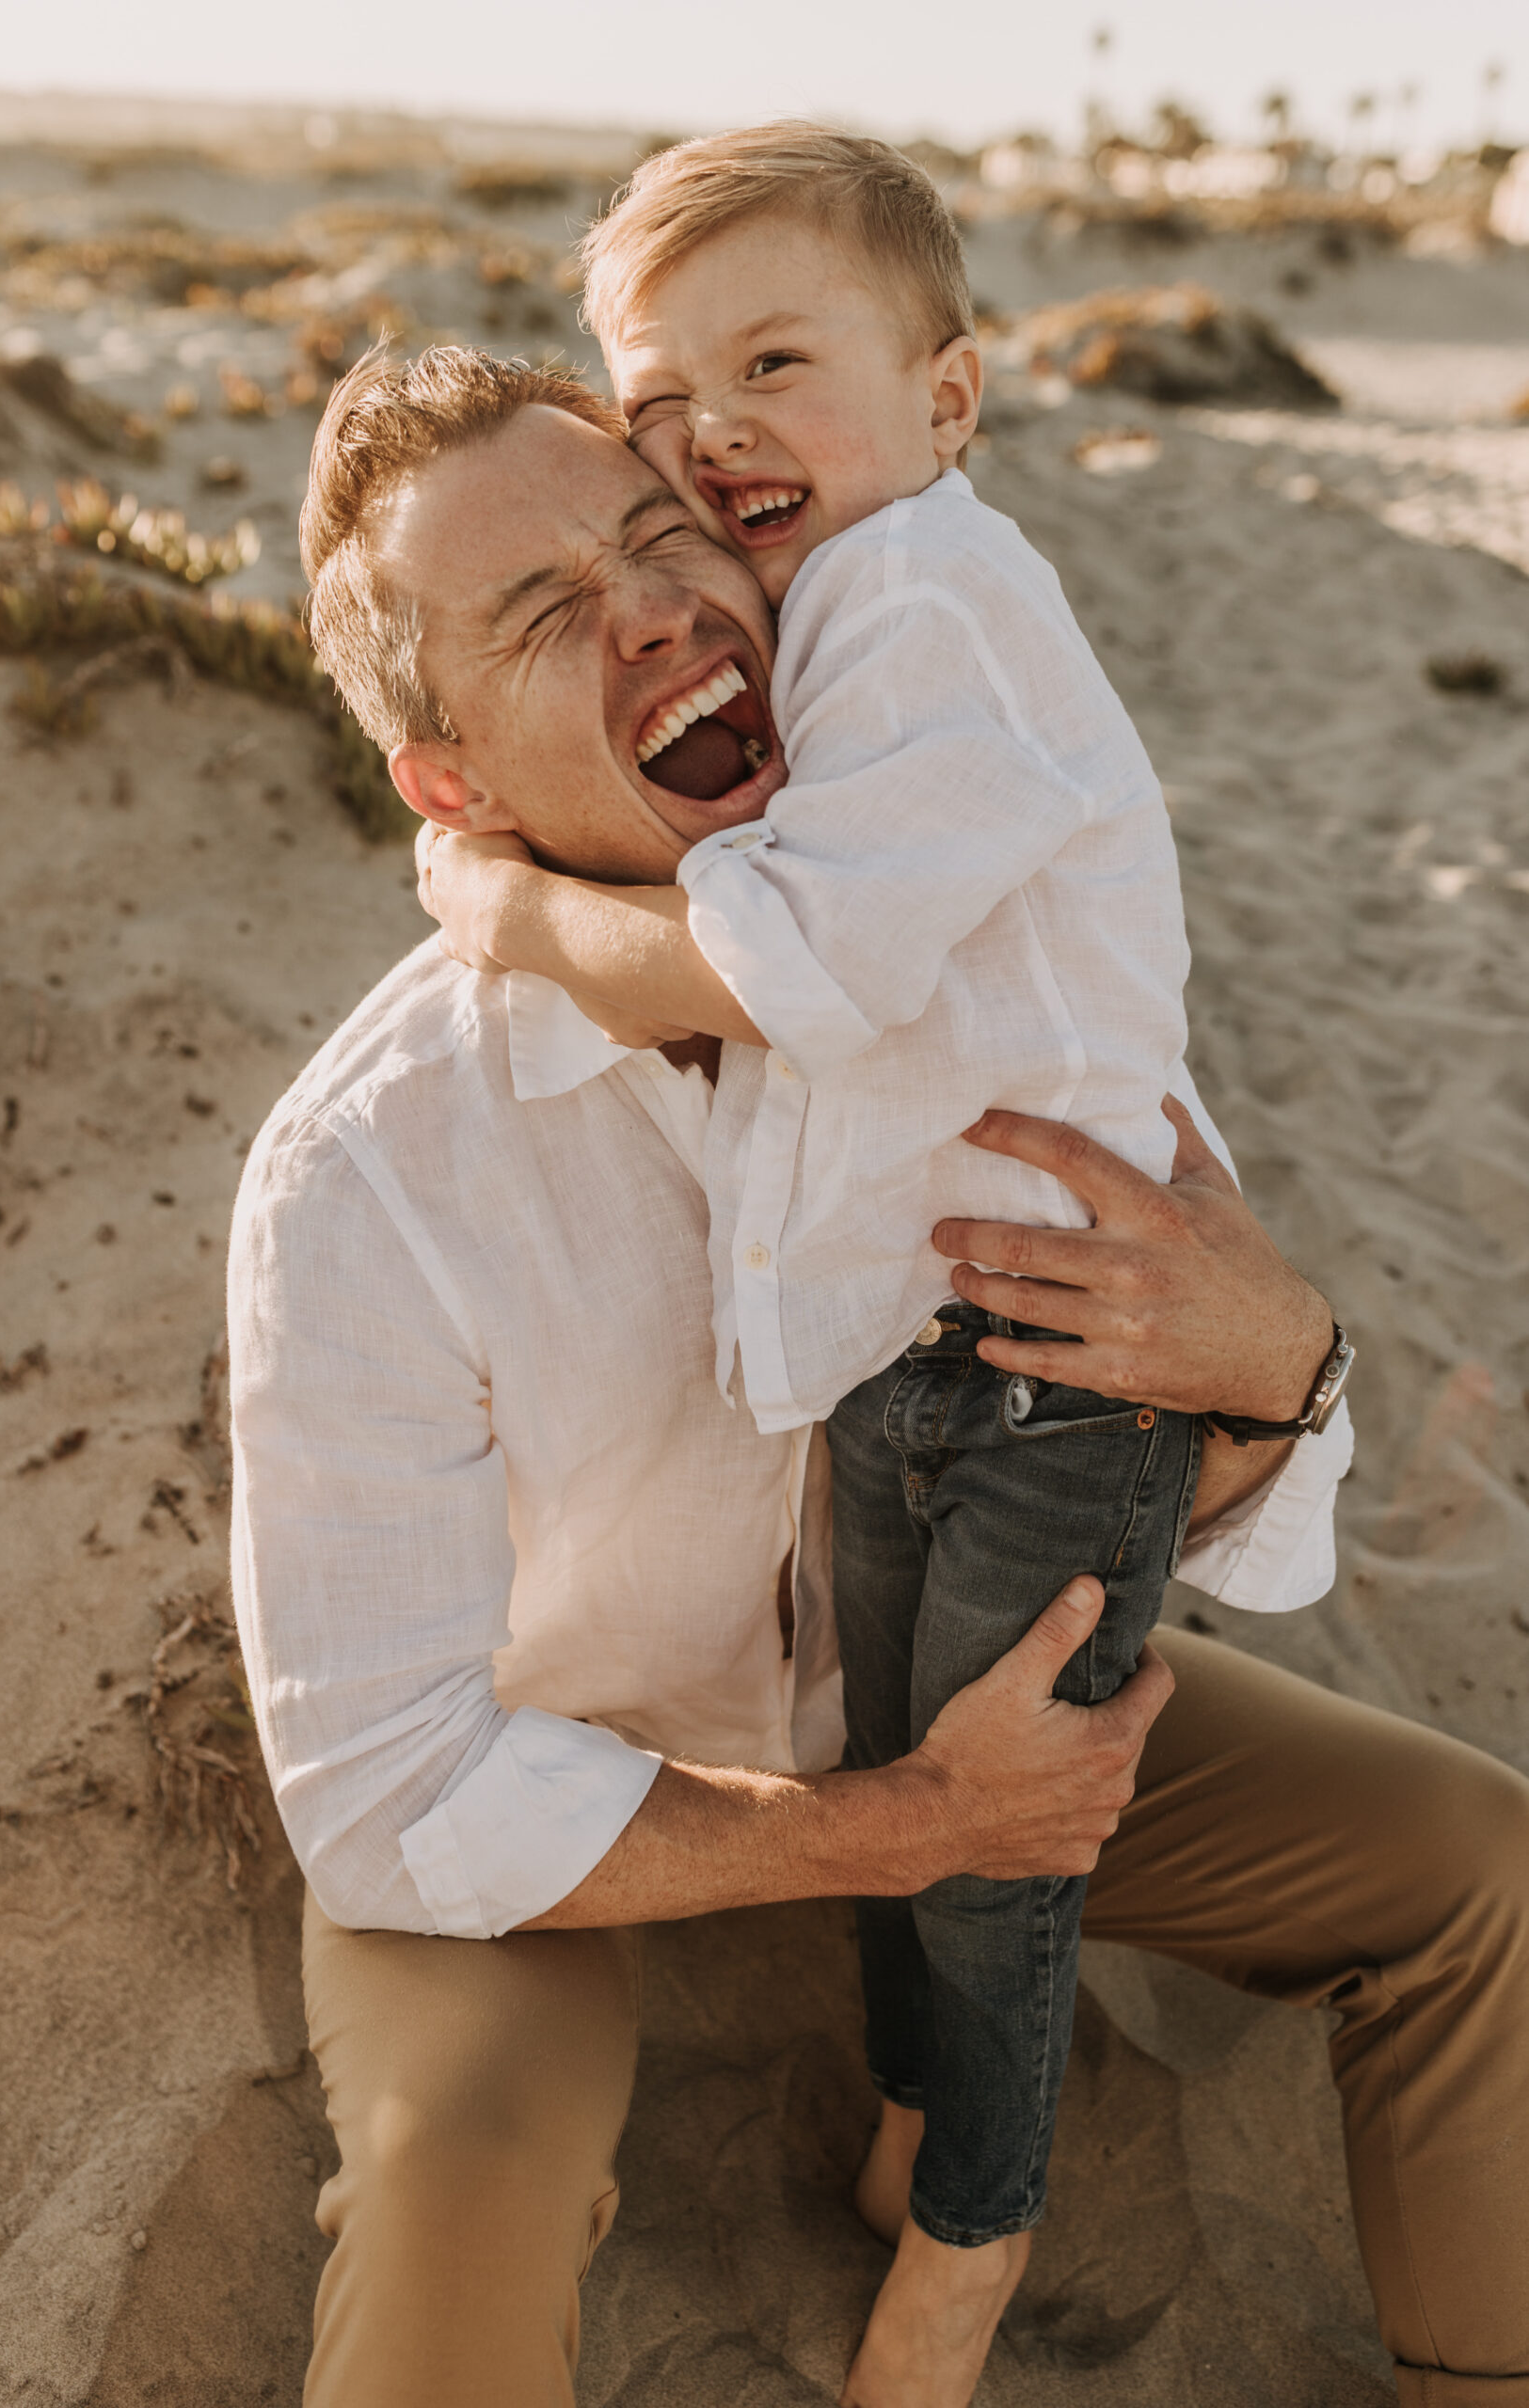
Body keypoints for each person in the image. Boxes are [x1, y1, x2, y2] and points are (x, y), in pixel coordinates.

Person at [227, 342, 1529, 2408]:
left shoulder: (988, 973)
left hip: (967, 1690)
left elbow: (1140, 1482)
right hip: (584, 1782)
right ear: (450, 785)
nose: (645, 602)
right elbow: (386, 1796)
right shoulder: (367, 1173)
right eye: (544, 610)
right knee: (446, 2159)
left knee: (1478, 1871)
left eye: (655, 534)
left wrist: (1274, 1370)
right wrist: (896, 1821)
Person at [406, 125, 1353, 2398]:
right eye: (660, 396)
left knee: (1001, 1830)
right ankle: (926, 2101)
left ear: (945, 401)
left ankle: (969, 2235)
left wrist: (504, 910)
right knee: (908, 1765)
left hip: (1061, 1352)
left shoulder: (933, 597)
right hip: (918, 1344)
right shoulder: (827, 611)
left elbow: (801, 961)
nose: (712, 428)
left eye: (773, 361)